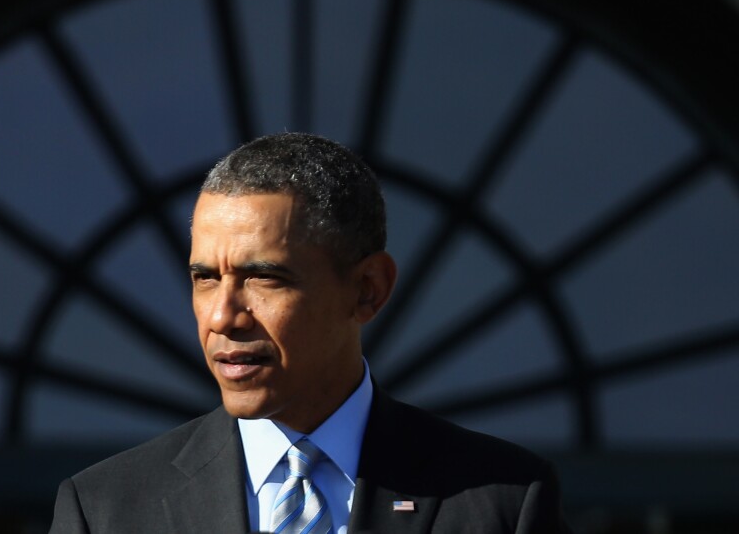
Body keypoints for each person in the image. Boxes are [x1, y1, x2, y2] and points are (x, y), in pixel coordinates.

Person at [48, 133, 571, 533]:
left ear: (367, 289)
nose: (223, 317)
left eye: (264, 278)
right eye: (205, 278)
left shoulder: (502, 502)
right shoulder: (105, 510)